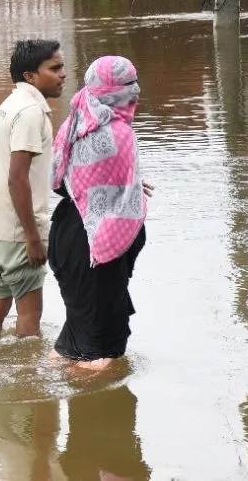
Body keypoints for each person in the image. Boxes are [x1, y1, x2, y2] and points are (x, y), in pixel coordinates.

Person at [48, 55, 151, 370]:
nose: (135, 90)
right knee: (98, 356)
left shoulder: (76, 120)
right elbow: (110, 193)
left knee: (75, 339)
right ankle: (97, 414)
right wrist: (129, 188)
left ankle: (49, 401)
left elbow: (67, 180)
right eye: (130, 84)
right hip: (95, 245)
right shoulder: (118, 131)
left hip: (67, 234)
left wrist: (130, 185)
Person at [0, 39, 65, 337]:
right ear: (30, 76)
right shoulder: (30, 112)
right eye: (55, 68)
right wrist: (33, 238)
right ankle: (27, 380)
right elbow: (17, 178)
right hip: (15, 232)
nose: (63, 74)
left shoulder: (11, 103)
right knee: (30, 316)